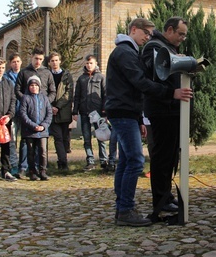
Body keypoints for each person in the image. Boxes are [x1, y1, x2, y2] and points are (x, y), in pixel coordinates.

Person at [105, 18, 193, 227]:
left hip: (127, 112)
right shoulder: (125, 52)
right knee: (135, 161)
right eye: (146, 33)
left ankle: (123, 208)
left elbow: (134, 86)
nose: (148, 37)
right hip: (123, 111)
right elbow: (141, 82)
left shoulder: (128, 51)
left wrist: (138, 118)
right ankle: (125, 210)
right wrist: (171, 92)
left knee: (126, 161)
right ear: (133, 29)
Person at [140, 16, 189, 216]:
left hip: (172, 109)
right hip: (162, 110)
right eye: (180, 34)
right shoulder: (154, 47)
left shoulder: (167, 47)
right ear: (169, 30)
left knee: (170, 157)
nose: (182, 38)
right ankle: (160, 199)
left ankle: (166, 195)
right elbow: (159, 75)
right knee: (162, 157)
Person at [73, 55, 113, 171]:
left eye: (91, 63)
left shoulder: (101, 77)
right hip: (84, 111)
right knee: (86, 137)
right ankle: (90, 160)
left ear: (95, 64)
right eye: (87, 63)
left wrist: (105, 112)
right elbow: (77, 96)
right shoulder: (81, 79)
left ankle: (103, 160)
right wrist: (75, 111)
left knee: (101, 136)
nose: (89, 65)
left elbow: (106, 95)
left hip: (98, 112)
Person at [18, 75, 52, 181]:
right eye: (31, 85)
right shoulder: (25, 98)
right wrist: (33, 126)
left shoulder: (44, 98)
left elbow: (49, 113)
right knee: (31, 152)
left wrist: (43, 125)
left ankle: (43, 171)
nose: (34, 87)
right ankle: (32, 172)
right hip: (29, 131)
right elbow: (23, 114)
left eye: (36, 85)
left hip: (42, 131)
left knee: (42, 151)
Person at [48, 51, 74, 171]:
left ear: (60, 61)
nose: (55, 63)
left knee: (64, 138)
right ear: (49, 63)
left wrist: (58, 106)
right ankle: (62, 162)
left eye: (56, 60)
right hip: (51, 111)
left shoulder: (67, 75)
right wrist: (51, 106)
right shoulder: (47, 75)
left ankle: (64, 160)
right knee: (57, 137)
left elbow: (69, 93)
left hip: (63, 111)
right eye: (52, 60)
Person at [3, 53, 23, 177]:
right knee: (12, 140)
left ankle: (23, 164)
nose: (16, 64)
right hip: (12, 112)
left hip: (24, 111)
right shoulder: (6, 77)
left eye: (18, 61)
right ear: (10, 64)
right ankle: (13, 164)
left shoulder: (25, 75)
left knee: (25, 141)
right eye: (14, 62)